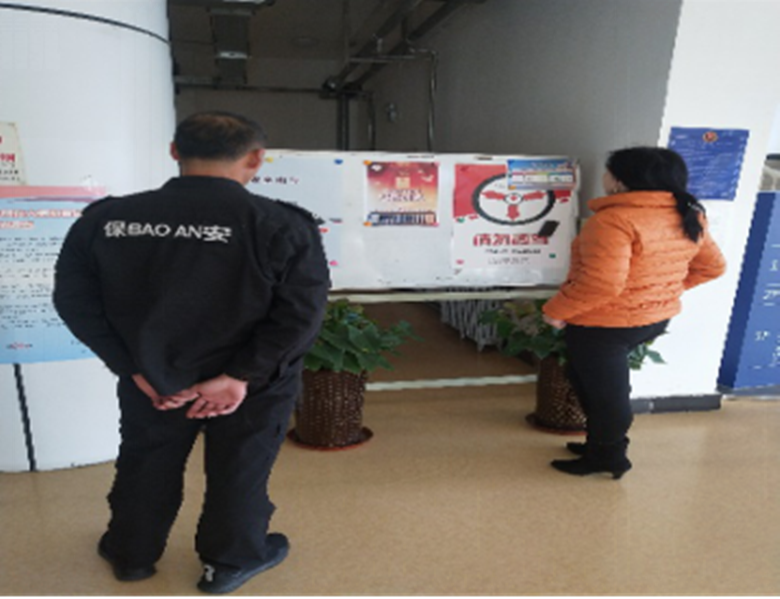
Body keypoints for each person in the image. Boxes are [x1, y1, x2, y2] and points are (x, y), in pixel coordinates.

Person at [53, 111, 330, 593]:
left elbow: (75, 301)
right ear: (256, 159)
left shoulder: (107, 219)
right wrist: (239, 375)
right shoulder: (280, 224)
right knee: (240, 466)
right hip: (252, 384)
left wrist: (130, 367)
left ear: (175, 151)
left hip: (153, 378)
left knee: (146, 462)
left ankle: (131, 555)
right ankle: (229, 563)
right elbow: (301, 313)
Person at [542, 146, 726, 479]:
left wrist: (557, 311)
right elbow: (712, 267)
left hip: (604, 324)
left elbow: (600, 284)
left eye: (609, 171)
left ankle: (609, 457)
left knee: (605, 394)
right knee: (585, 379)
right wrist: (658, 292)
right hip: (651, 319)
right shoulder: (686, 213)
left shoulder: (613, 221)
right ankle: (600, 445)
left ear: (620, 181)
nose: (604, 176)